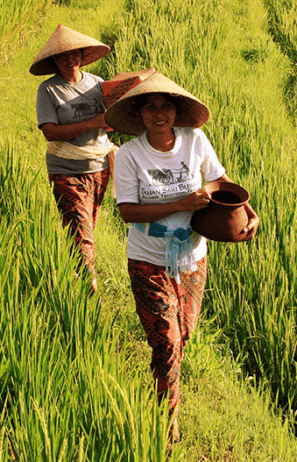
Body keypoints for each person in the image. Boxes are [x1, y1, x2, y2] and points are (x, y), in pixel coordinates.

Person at [105, 71, 259, 444]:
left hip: (192, 256)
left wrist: (249, 213)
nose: (159, 113)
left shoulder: (195, 140)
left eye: (166, 105)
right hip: (147, 258)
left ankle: (161, 385)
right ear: (140, 113)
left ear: (176, 110)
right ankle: (166, 418)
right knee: (167, 341)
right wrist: (181, 203)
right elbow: (127, 212)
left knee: (182, 337)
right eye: (151, 106)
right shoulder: (128, 155)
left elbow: (220, 182)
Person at [30, 24, 115, 294]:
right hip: (66, 168)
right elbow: (50, 132)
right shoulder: (49, 90)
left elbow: (111, 123)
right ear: (54, 60)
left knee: (87, 226)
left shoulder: (98, 84)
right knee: (80, 230)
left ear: (82, 54)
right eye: (62, 55)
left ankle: (77, 272)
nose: (69, 60)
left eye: (74, 53)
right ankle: (90, 289)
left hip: (99, 166)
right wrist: (94, 122)